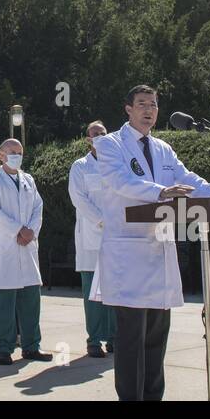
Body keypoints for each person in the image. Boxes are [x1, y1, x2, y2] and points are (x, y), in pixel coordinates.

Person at [93, 85, 210, 401]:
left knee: (156, 338)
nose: (149, 110)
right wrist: (159, 191)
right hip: (128, 255)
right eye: (142, 104)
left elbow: (190, 181)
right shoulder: (111, 144)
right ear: (128, 109)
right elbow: (119, 181)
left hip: (158, 254)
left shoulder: (163, 149)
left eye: (153, 105)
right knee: (131, 340)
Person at [0, 138, 51, 366]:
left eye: (20, 152)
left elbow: (38, 207)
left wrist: (31, 231)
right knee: (5, 302)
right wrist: (18, 230)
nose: (16, 155)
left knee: (31, 299)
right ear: (1, 155)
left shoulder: (28, 180)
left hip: (28, 246)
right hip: (7, 247)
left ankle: (31, 346)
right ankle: (4, 347)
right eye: (12, 151)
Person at [69, 120, 115, 358]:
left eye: (103, 133)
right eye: (94, 134)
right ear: (88, 139)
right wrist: (101, 220)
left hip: (116, 236)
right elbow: (79, 199)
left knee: (114, 290)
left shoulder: (116, 164)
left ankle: (114, 338)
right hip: (91, 236)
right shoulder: (80, 167)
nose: (99, 136)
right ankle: (94, 340)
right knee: (93, 293)